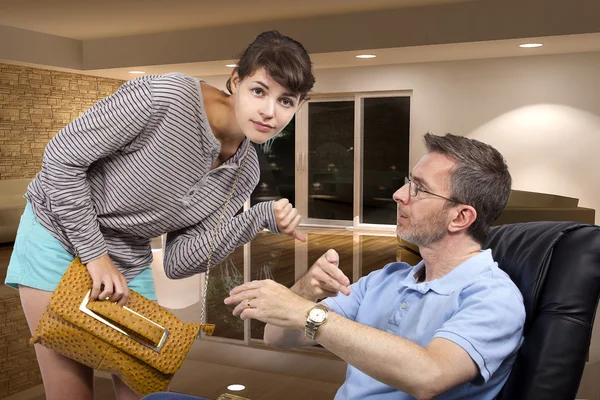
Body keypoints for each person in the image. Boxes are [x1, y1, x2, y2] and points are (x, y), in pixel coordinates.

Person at [5, 30, 315, 400]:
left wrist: (257, 217)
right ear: (236, 81)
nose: (269, 112)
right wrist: (95, 256)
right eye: (259, 91)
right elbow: (61, 158)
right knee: (72, 392)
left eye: (287, 101)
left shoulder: (244, 171)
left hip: (125, 261)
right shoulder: (166, 96)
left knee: (144, 387)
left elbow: (180, 262)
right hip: (56, 235)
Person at [225, 133, 526, 399]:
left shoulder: (494, 298)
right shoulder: (384, 280)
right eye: (409, 182)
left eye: (419, 189)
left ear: (460, 217)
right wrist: (304, 291)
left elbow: (430, 376)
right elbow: (278, 339)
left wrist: (305, 312)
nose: (398, 194)